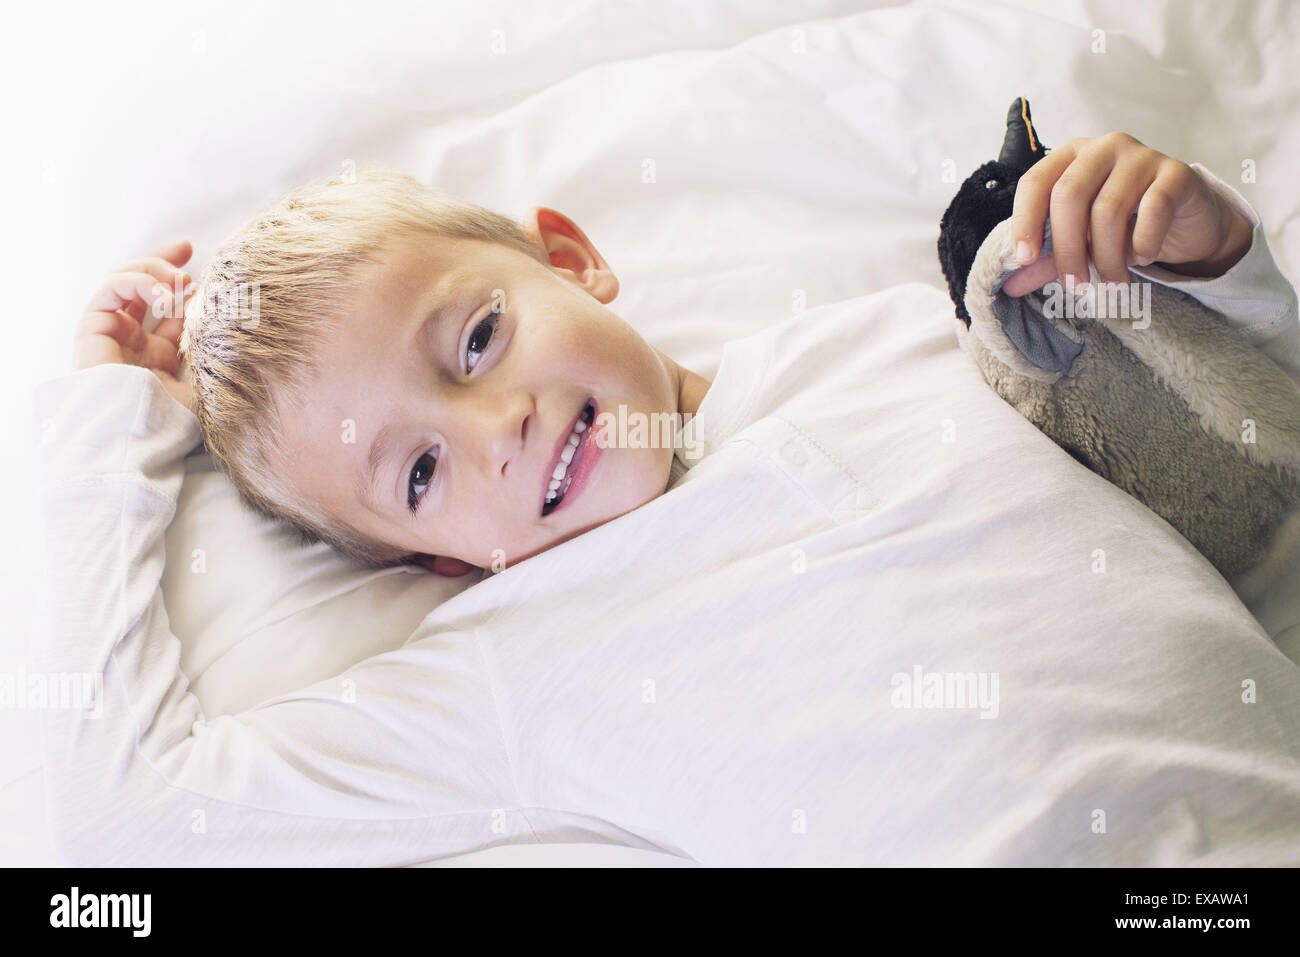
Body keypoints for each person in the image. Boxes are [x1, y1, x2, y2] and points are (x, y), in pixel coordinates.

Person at [39, 132, 1300, 865]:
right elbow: (116, 822)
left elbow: (1232, 477)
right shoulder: (503, 667)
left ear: (571, 258)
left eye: (476, 339)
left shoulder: (891, 340)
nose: (499, 429)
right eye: (420, 474)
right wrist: (111, 431)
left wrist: (1214, 263)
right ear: (432, 563)